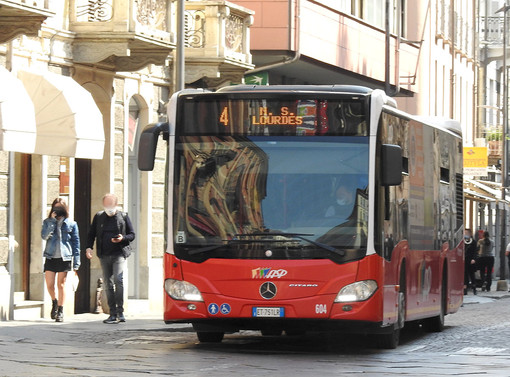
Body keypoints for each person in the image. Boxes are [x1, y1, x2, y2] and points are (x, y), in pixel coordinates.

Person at [86, 193, 135, 324]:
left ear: (116, 205)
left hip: (119, 253)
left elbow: (132, 234)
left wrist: (122, 238)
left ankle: (120, 311)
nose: (109, 207)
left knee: (118, 280)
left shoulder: (123, 216)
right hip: (104, 254)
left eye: (111, 204)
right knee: (108, 283)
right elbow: (91, 234)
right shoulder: (99, 217)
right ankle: (112, 313)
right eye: (106, 204)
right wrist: (88, 247)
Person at [41, 198, 80, 322]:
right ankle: (54, 302)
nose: (57, 210)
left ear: (64, 209)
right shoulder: (47, 222)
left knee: (61, 285)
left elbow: (76, 243)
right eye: (55, 208)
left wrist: (77, 262)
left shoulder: (71, 224)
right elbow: (44, 236)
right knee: (50, 284)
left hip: (65, 257)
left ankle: (61, 311)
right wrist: (52, 221)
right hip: (50, 256)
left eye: (60, 208)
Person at [464, 229, 478, 295]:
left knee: (472, 274)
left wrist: (474, 259)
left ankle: (474, 288)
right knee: (465, 275)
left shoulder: (473, 242)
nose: (465, 234)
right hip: (464, 260)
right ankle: (465, 289)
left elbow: (475, 251)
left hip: (471, 260)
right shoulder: (463, 242)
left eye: (466, 233)